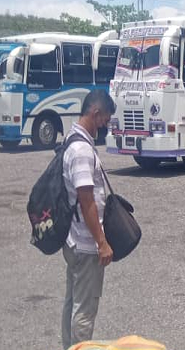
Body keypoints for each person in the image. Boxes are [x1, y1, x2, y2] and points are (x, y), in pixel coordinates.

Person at [61, 90, 116, 349]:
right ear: (95, 114)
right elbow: (87, 200)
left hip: (74, 239)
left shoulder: (71, 140)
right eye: (104, 120)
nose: (104, 126)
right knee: (84, 310)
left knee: (73, 302)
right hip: (85, 244)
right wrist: (102, 242)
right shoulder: (82, 150)